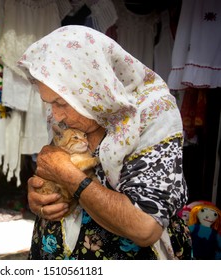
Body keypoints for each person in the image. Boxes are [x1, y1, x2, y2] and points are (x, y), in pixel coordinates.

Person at [17, 25, 192, 260]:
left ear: (92, 89)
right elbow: (58, 162)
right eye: (49, 103)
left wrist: (67, 174)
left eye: (60, 102)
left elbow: (145, 227)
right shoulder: (71, 113)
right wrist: (39, 196)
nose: (55, 115)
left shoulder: (152, 113)